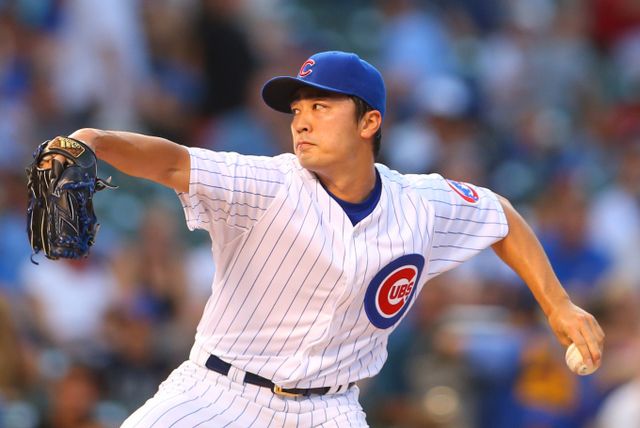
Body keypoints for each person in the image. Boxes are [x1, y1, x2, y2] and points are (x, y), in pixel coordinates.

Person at [51, 51, 604, 427]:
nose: (301, 122)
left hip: (328, 411)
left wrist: (557, 304)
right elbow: (173, 163)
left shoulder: (420, 204)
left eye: (321, 107)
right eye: (297, 109)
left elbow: (500, 215)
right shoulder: (268, 183)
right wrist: (95, 140)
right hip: (216, 395)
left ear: (369, 123)